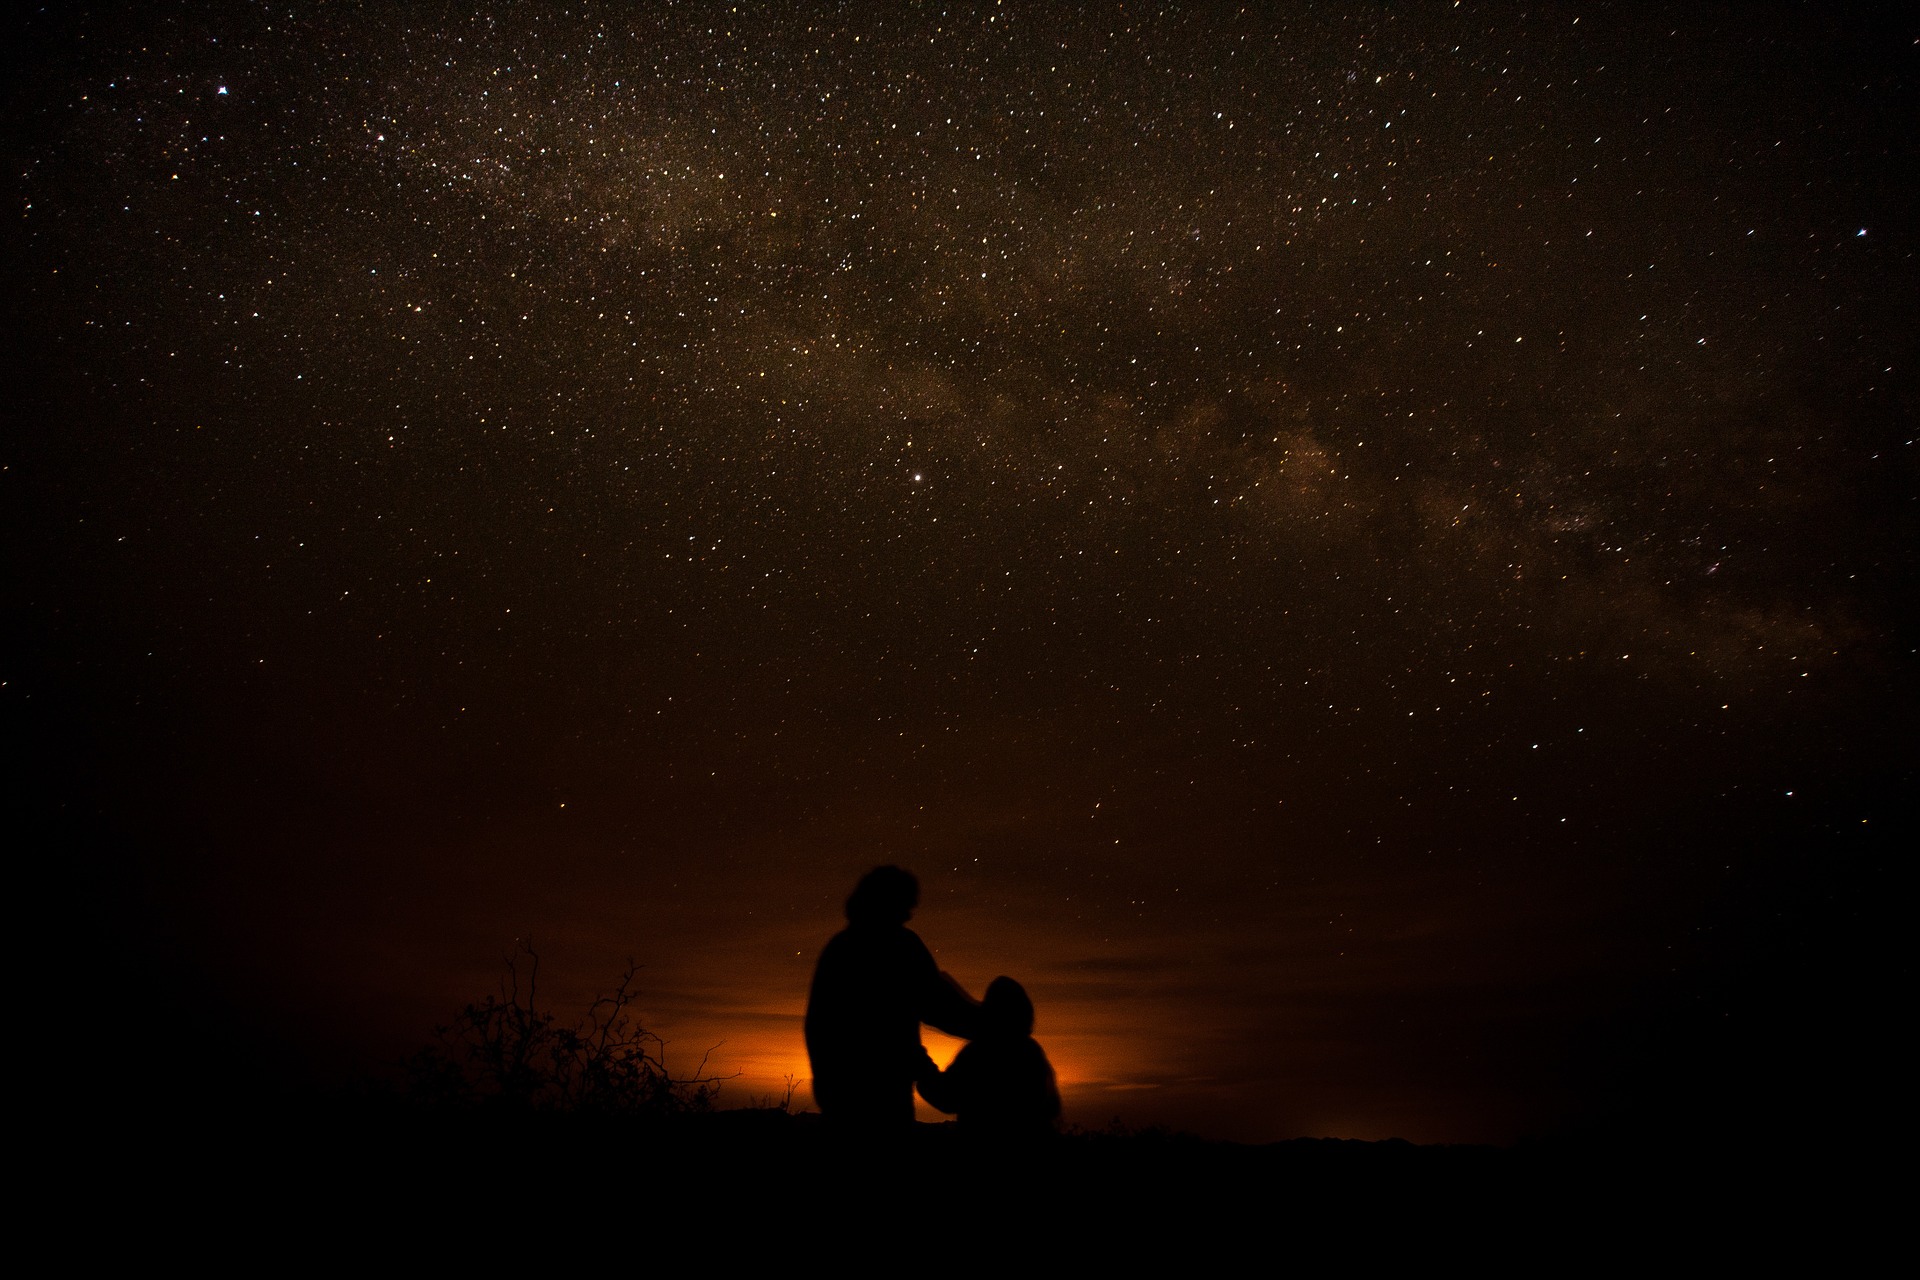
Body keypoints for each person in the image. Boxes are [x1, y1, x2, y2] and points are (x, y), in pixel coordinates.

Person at [804, 865, 982, 1130]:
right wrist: (988, 1024)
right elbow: (935, 1005)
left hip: (841, 1097)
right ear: (890, 900)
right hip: (883, 1097)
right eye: (907, 903)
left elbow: (818, 1026)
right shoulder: (899, 946)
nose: (910, 912)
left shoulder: (840, 948)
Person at [915, 976, 1061, 1138]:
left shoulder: (980, 1052)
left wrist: (923, 1066)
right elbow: (1050, 1107)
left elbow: (947, 1097)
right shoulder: (1032, 1051)